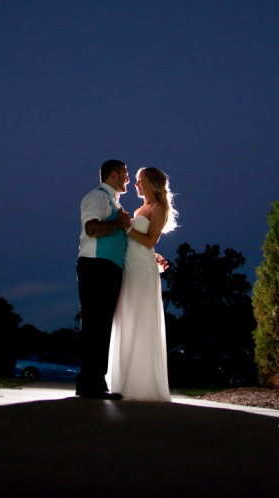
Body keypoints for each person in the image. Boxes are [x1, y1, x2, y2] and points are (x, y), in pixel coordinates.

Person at [107, 167, 177, 402]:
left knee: (141, 320)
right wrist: (157, 257)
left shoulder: (159, 208)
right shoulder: (139, 209)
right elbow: (144, 244)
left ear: (152, 183)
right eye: (136, 181)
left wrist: (127, 226)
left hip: (143, 273)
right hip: (131, 267)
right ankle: (124, 379)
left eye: (140, 181)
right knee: (127, 318)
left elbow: (149, 240)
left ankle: (143, 384)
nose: (136, 184)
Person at [75, 160, 131, 399]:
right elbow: (92, 229)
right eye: (125, 175)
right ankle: (89, 384)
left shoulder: (114, 202)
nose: (128, 180)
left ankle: (95, 382)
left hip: (109, 267)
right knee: (94, 324)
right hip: (96, 266)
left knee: (102, 324)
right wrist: (120, 223)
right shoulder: (96, 197)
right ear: (114, 174)